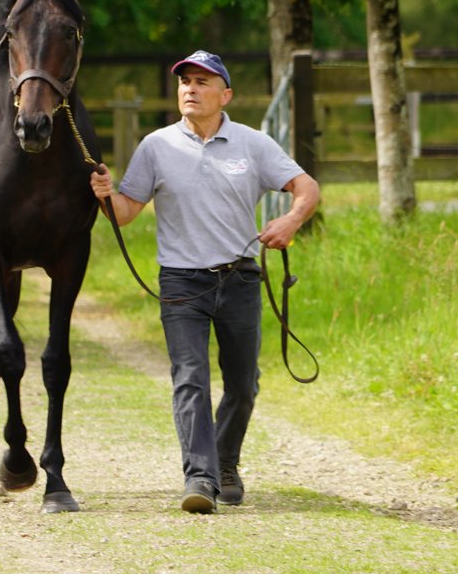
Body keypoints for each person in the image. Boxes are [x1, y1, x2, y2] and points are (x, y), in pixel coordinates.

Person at [90, 50, 320, 514]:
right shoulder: (156, 146)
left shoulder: (253, 144)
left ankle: (225, 463)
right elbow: (126, 213)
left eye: (202, 82)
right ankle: (199, 477)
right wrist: (104, 195)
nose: (190, 89)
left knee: (243, 383)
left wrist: (290, 222)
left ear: (225, 95)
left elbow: (306, 187)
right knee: (190, 378)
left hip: (240, 278)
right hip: (181, 282)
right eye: (185, 82)